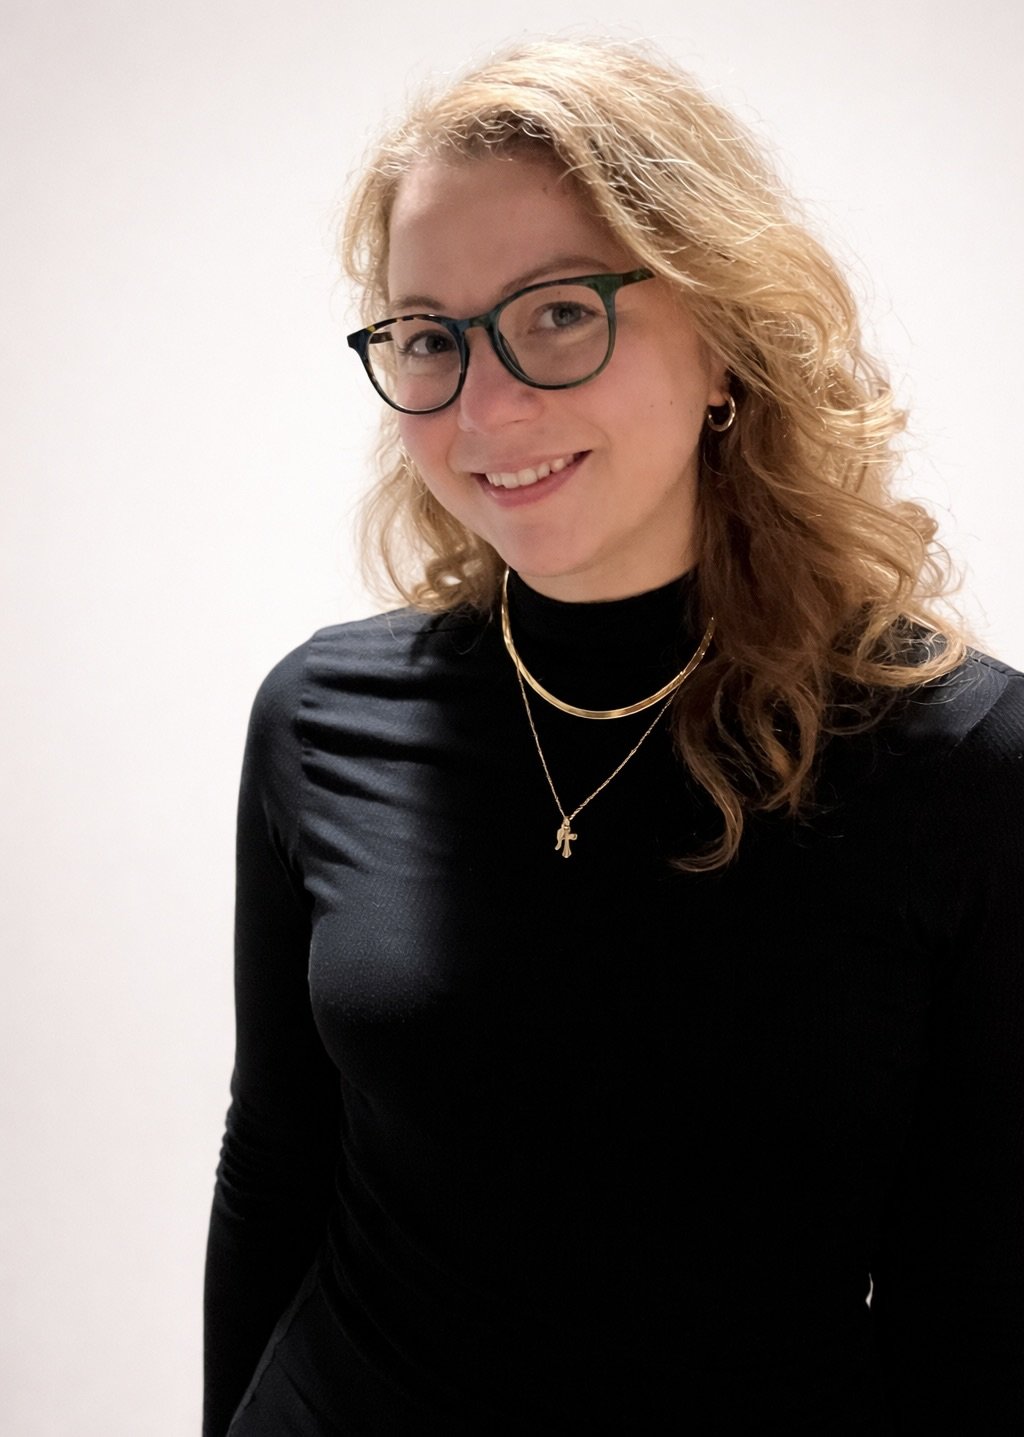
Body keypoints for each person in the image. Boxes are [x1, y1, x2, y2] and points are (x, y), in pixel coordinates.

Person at [204, 37, 1024, 1435]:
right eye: (427, 336)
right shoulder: (317, 716)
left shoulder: (960, 756)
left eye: (561, 313)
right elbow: (278, 1160)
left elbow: (976, 1291)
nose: (485, 404)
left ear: (723, 335)